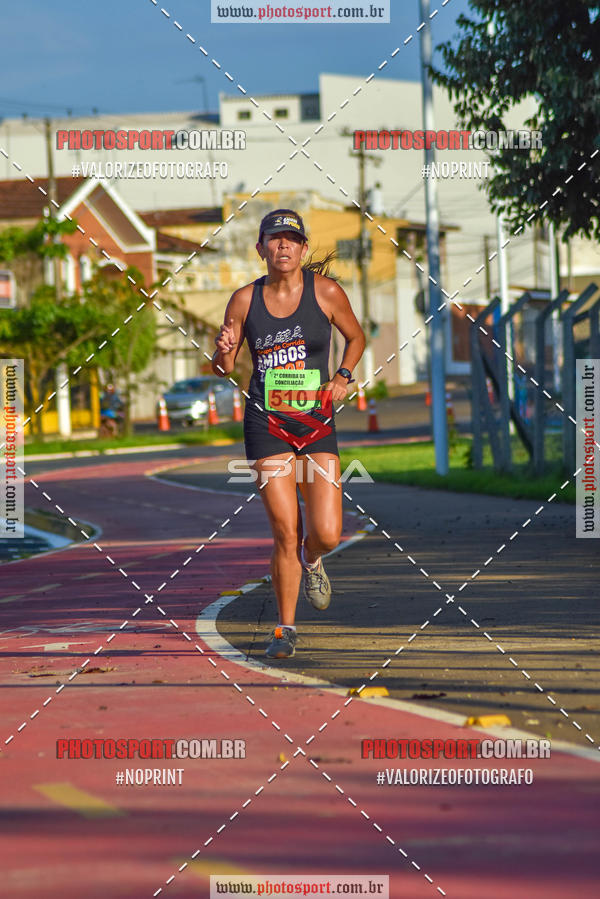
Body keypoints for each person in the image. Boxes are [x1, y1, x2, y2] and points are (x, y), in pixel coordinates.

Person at [212, 209, 365, 659]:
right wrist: (221, 354)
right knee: (284, 528)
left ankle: (313, 558)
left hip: (315, 424)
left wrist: (342, 376)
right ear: (260, 248)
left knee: (327, 532)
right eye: (274, 239)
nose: (283, 247)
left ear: (301, 249)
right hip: (267, 425)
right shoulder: (244, 300)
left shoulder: (327, 293)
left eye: (291, 240)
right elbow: (224, 367)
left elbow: (356, 338)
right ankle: (284, 627)